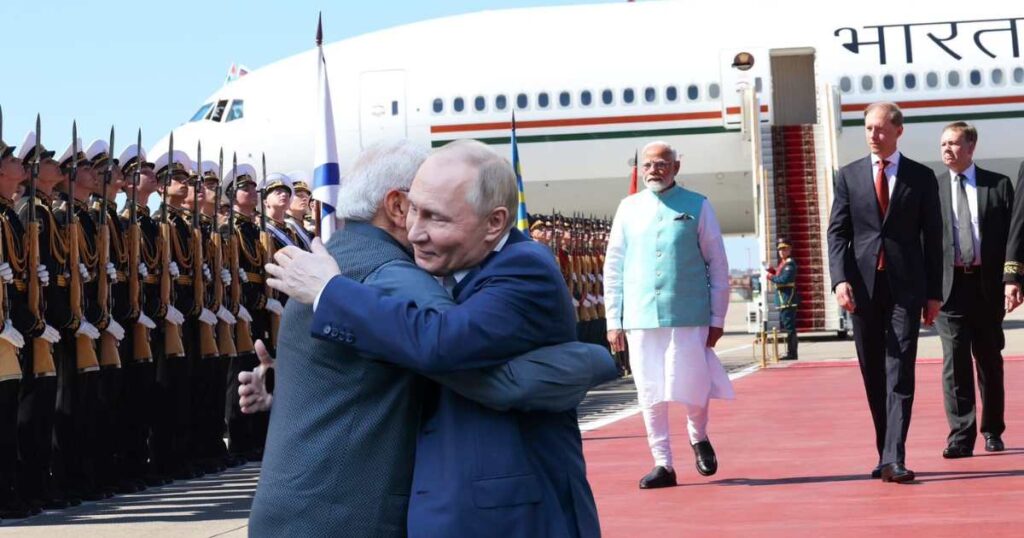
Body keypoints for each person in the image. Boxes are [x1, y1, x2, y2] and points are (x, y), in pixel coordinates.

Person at [245, 140, 614, 537]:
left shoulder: (520, 266)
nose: (418, 231)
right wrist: (581, 363)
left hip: (508, 513)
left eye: (436, 217)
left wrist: (329, 294)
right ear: (398, 204)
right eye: (415, 211)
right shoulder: (383, 273)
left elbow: (439, 344)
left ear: (494, 222)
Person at [604, 141, 733, 490]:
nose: (653, 171)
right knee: (650, 392)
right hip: (641, 316)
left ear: (676, 167)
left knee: (692, 385)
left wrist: (717, 317)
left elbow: (717, 263)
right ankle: (663, 463)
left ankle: (698, 435)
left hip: (687, 313)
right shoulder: (628, 208)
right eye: (647, 165)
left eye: (661, 164)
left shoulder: (698, 206)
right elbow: (613, 266)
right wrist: (613, 320)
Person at [826, 102, 943, 483]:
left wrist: (933, 294)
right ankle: (884, 451)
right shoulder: (848, 176)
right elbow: (838, 232)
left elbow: (934, 239)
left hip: (906, 289)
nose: (873, 136)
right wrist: (839, 280)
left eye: (880, 129)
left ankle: (895, 456)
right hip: (862, 289)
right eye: (868, 129)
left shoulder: (922, 177)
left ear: (898, 131)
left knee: (900, 368)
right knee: (873, 372)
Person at [935, 122, 1010, 457]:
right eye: (943, 144)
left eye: (953, 143)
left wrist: (1014, 281)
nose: (947, 150)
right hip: (949, 287)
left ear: (971, 147)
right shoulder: (932, 189)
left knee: (989, 361)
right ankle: (960, 436)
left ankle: (992, 429)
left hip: (986, 287)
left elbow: (1014, 238)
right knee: (955, 363)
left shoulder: (999, 186)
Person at [15, 132, 79, 508]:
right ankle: (27, 486)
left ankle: (41, 484)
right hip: (34, 321)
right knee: (33, 408)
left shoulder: (38, 210)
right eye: (50, 162)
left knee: (44, 408)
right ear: (33, 170)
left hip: (52, 318)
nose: (58, 167)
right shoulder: (27, 210)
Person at [766, 238, 799, 360]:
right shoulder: (784, 264)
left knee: (790, 329)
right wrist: (771, 271)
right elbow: (779, 275)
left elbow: (784, 280)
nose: (781, 251)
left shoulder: (789, 264)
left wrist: (771, 277)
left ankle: (792, 353)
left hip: (787, 299)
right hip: (783, 299)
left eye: (784, 249)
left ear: (789, 249)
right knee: (788, 327)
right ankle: (791, 352)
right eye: (780, 249)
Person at [284, 172, 313, 250]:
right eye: (299, 195)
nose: (304, 198)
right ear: (288, 198)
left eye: (307, 195)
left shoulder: (306, 227)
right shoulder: (286, 228)